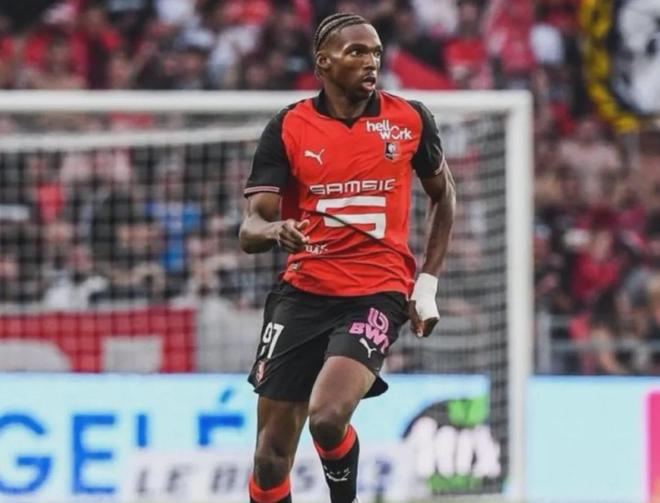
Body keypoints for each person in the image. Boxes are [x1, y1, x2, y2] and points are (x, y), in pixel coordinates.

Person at [238, 12, 456, 503]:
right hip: (302, 294)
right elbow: (250, 228)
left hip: (375, 293)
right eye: (356, 52)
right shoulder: (289, 126)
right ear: (323, 62)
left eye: (375, 52)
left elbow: (444, 196)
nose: (370, 62)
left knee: (328, 415)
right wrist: (274, 230)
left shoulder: (409, 119)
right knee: (269, 459)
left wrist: (426, 285)